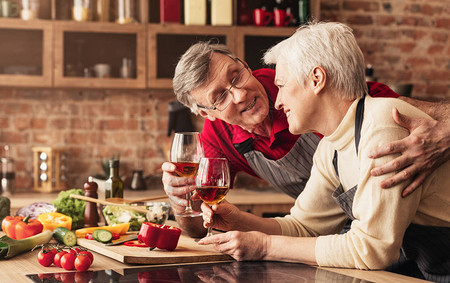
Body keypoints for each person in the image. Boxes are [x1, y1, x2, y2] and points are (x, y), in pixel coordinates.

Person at [197, 22, 450, 283]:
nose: (278, 100)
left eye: (282, 85)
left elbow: (372, 249)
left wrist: (265, 247)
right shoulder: (331, 147)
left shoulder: (383, 124)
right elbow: (303, 227)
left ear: (317, 79)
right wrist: (240, 221)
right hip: (429, 264)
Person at [163, 41, 450, 237]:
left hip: (416, 226)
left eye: (236, 76)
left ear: (244, 64)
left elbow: (430, 113)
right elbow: (200, 228)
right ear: (205, 114)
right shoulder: (217, 137)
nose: (240, 94)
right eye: (220, 97)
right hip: (327, 232)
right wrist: (180, 202)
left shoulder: (305, 86)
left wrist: (444, 135)